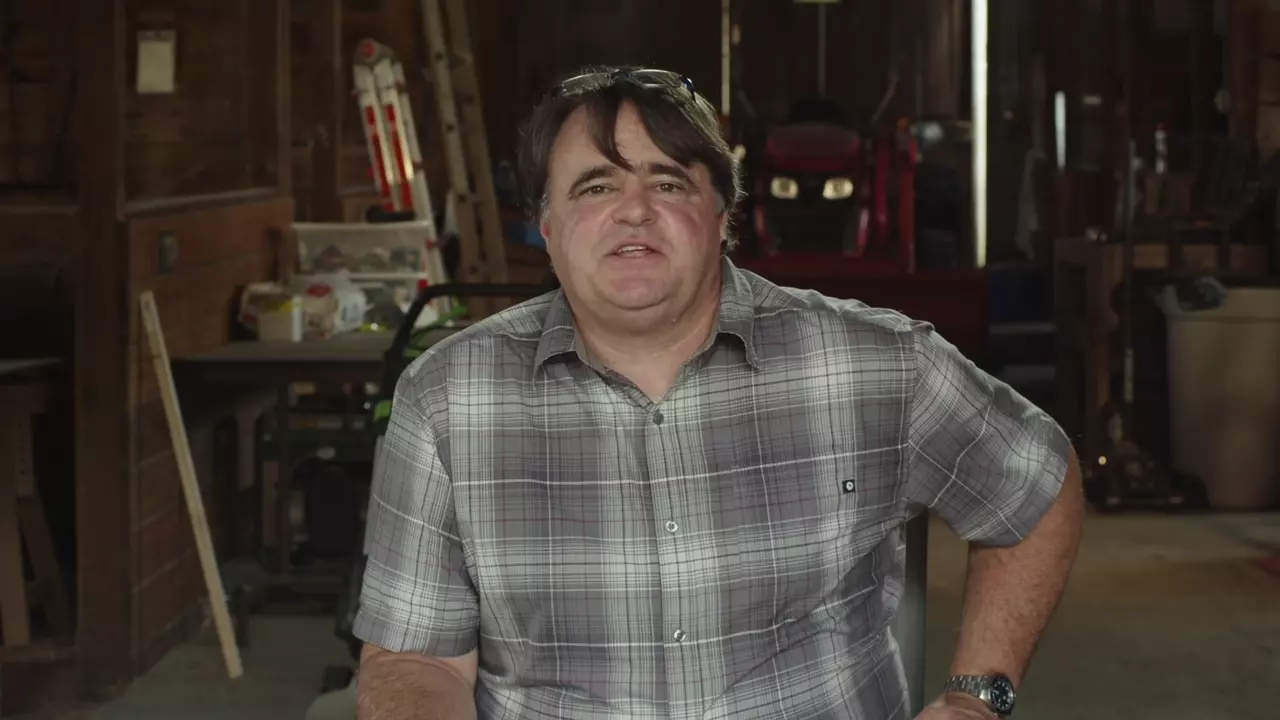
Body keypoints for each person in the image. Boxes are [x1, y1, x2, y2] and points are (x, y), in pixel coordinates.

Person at [352, 66, 1084, 720]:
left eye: (667, 182)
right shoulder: (449, 399)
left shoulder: (876, 367)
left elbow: (1039, 487)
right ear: (547, 226)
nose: (634, 210)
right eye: (596, 186)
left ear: (721, 215)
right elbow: (415, 660)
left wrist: (976, 698)